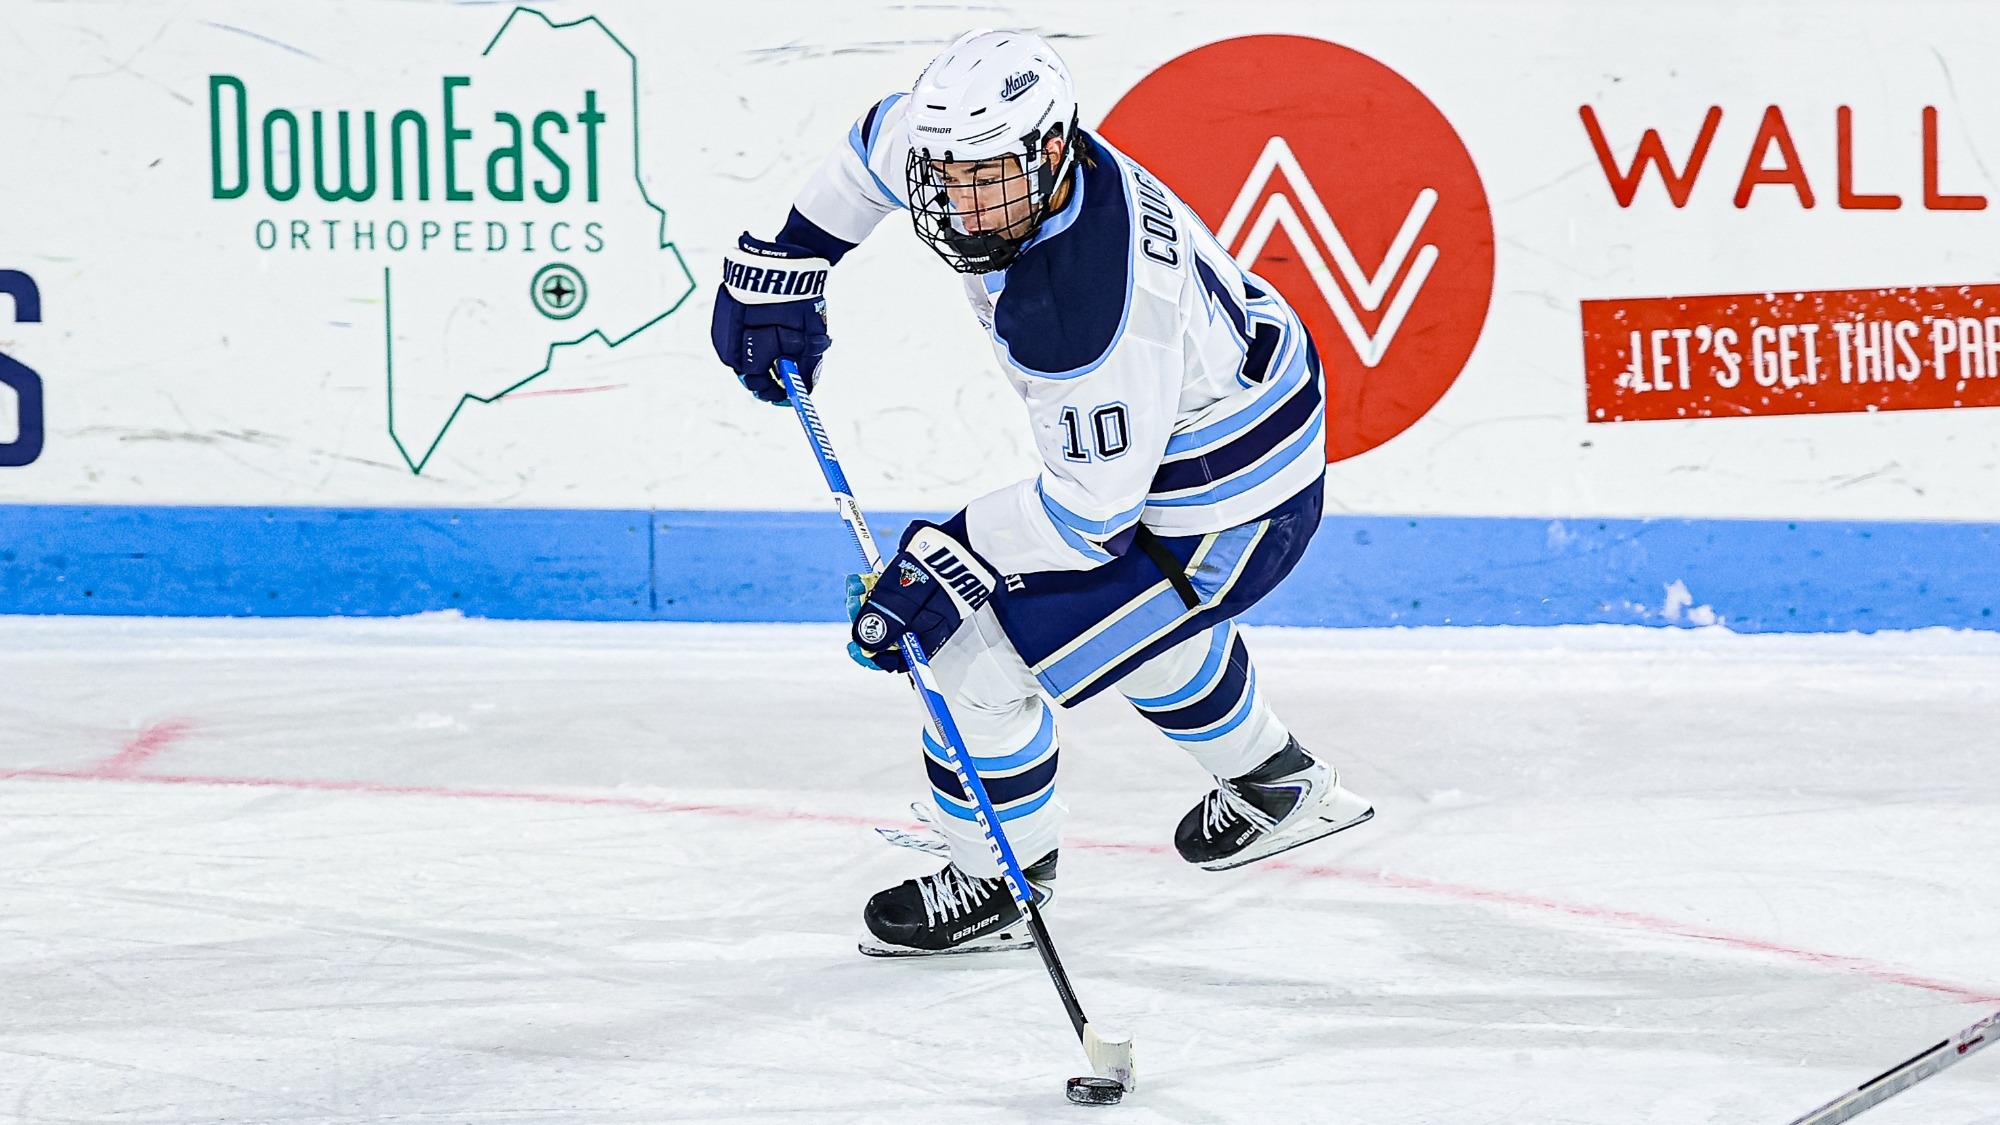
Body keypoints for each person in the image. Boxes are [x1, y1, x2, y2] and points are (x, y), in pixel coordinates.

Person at [711, 30, 1373, 956]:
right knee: (1137, 633)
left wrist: (946, 557)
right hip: (1232, 423)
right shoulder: (981, 144)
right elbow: (874, 149)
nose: (963, 204)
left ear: (1054, 150)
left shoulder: (1078, 303)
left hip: (1229, 506)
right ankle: (1278, 783)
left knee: (966, 651)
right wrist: (789, 259)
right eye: (948, 176)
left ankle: (999, 882)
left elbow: (1088, 518)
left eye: (989, 180)